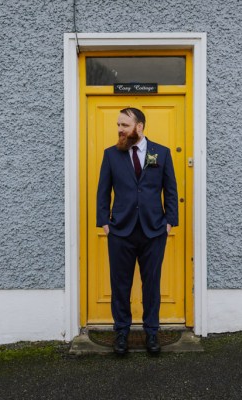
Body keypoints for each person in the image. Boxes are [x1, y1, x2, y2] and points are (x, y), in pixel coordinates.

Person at [96, 107, 178, 355]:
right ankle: (121, 332)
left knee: (151, 284)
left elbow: (170, 189)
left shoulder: (161, 153)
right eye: (118, 125)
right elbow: (103, 191)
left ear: (139, 126)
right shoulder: (111, 155)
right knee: (120, 284)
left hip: (153, 231)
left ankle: (152, 332)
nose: (119, 129)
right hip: (120, 231)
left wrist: (169, 221)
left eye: (124, 125)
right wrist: (105, 222)